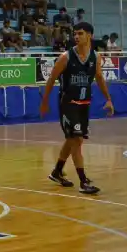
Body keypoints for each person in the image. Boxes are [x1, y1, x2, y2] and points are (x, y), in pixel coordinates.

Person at [40, 21, 114, 195]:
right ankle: (83, 181)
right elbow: (51, 79)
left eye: (80, 33)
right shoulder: (65, 57)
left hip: (84, 104)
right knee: (76, 140)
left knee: (76, 139)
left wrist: (109, 99)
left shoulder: (95, 57)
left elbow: (100, 78)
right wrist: (44, 102)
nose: (76, 36)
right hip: (68, 103)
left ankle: (57, 171)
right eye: (75, 33)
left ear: (90, 35)